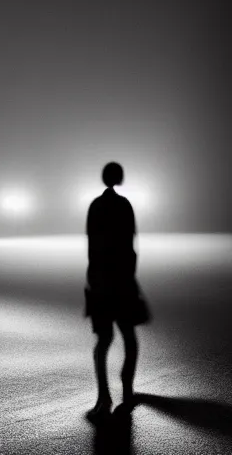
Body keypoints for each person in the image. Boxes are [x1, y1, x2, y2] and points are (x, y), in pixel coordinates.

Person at [85, 162, 149, 420]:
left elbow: (91, 246)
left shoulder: (95, 205)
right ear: (119, 178)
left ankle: (103, 396)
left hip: (101, 281)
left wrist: (94, 279)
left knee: (103, 341)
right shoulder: (124, 206)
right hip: (122, 281)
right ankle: (127, 390)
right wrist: (130, 277)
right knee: (129, 339)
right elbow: (131, 247)